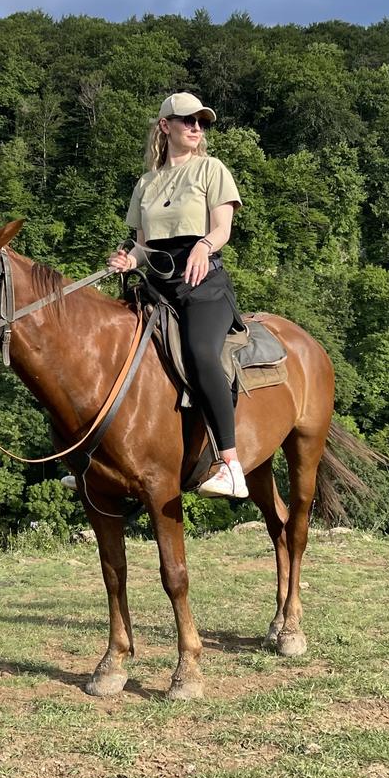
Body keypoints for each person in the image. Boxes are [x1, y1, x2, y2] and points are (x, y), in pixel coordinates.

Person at [64, 92, 249, 499]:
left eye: (201, 121)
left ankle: (231, 465)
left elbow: (222, 229)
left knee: (201, 353)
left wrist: (203, 246)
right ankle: (91, 458)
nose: (196, 127)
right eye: (187, 120)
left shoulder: (211, 169)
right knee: (100, 348)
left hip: (203, 284)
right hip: (156, 287)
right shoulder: (146, 184)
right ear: (166, 126)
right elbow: (143, 245)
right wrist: (129, 259)